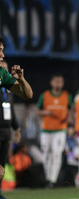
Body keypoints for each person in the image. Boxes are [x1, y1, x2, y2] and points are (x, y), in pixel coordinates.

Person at [0, 34, 33, 183]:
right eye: (0, 50)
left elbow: (27, 94)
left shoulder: (1, 73)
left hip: (4, 130)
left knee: (1, 172)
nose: (3, 55)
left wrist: (21, 79)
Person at [36, 73, 73, 188]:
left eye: (60, 81)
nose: (58, 84)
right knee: (46, 153)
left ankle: (53, 179)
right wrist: (46, 113)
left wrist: (68, 120)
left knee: (57, 153)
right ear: (51, 83)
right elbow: (38, 111)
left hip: (60, 129)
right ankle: (48, 177)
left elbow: (71, 109)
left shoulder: (67, 96)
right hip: (46, 129)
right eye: (56, 81)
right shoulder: (45, 95)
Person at [0, 60, 21, 199]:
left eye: (6, 70)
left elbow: (11, 110)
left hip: (6, 132)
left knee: (2, 166)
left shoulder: (8, 91)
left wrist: (16, 128)